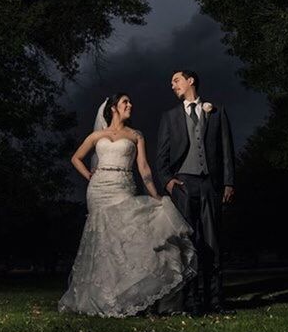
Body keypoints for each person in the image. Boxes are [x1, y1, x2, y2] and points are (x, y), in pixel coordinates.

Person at [58, 93, 197, 318]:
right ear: (114, 108)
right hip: (98, 189)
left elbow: (143, 168)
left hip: (123, 186)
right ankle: (106, 295)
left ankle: (131, 295)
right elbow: (76, 158)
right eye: (125, 102)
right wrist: (89, 176)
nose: (130, 105)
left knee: (127, 238)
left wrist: (156, 196)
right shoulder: (97, 135)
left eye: (130, 102)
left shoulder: (135, 135)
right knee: (104, 240)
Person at [156, 70, 235, 315]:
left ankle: (215, 301)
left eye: (175, 80)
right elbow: (162, 156)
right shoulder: (169, 117)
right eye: (170, 82)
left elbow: (226, 150)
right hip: (183, 186)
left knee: (213, 243)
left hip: (210, 185)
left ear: (190, 81)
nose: (172, 85)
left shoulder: (216, 111)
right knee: (187, 245)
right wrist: (168, 181)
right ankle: (191, 302)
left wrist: (229, 182)